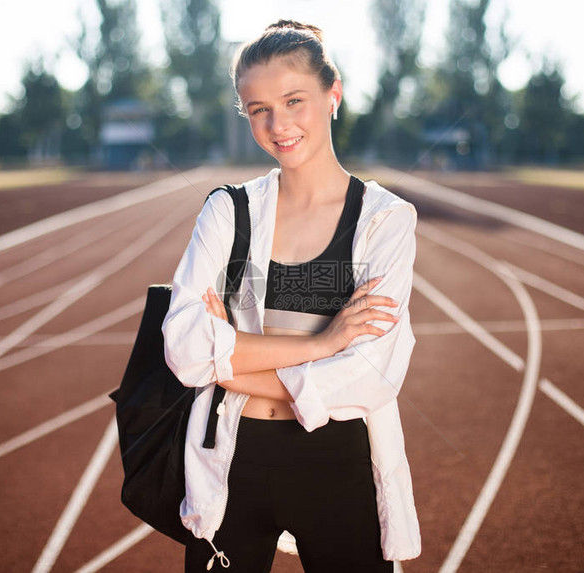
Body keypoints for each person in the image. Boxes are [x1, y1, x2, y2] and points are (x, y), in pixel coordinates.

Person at [161, 20, 420, 573]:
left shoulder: (384, 220)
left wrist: (230, 365)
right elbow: (184, 348)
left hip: (336, 455)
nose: (278, 125)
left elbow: (374, 371)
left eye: (294, 100)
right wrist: (325, 342)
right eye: (258, 109)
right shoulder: (227, 212)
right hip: (232, 455)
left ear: (334, 94)